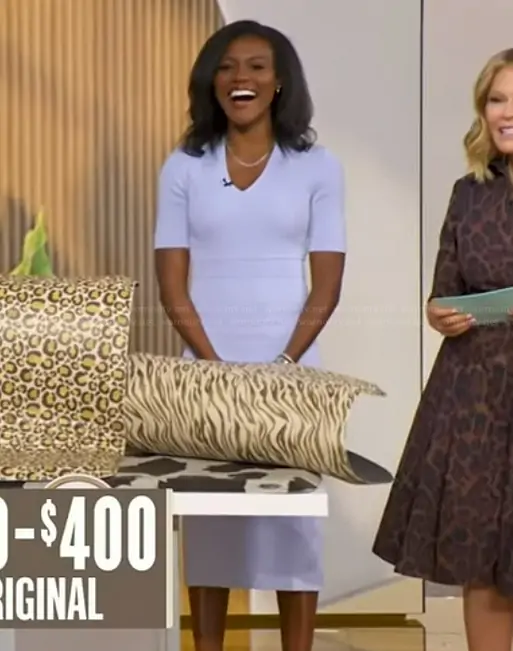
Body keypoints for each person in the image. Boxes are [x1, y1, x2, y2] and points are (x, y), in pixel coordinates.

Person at [153, 19, 346, 651]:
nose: (242, 78)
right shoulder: (183, 167)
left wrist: (283, 364)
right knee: (210, 523)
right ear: (212, 82)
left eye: (257, 66)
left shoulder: (318, 167)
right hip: (206, 370)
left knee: (295, 526)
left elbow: (326, 285)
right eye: (228, 67)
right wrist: (214, 366)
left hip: (292, 374)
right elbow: (172, 286)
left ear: (279, 81)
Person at [373, 48, 513, 651]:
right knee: (483, 561)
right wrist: (441, 315)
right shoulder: (468, 194)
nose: (506, 112)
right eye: (497, 99)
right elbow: (443, 292)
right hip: (475, 398)